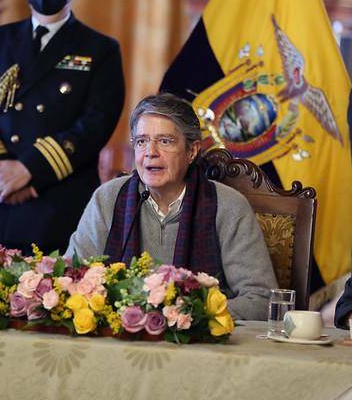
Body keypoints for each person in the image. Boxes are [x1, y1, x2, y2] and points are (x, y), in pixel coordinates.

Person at [0, 0, 124, 254]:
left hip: (57, 202)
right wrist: (2, 173)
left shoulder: (99, 49)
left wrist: (29, 171)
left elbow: (96, 124)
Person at [65, 93, 277, 320]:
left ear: (192, 151)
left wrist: (188, 316)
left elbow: (262, 299)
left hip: (197, 338)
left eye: (165, 141)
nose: (150, 152)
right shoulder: (108, 198)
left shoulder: (227, 206)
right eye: (141, 141)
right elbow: (70, 279)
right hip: (119, 335)